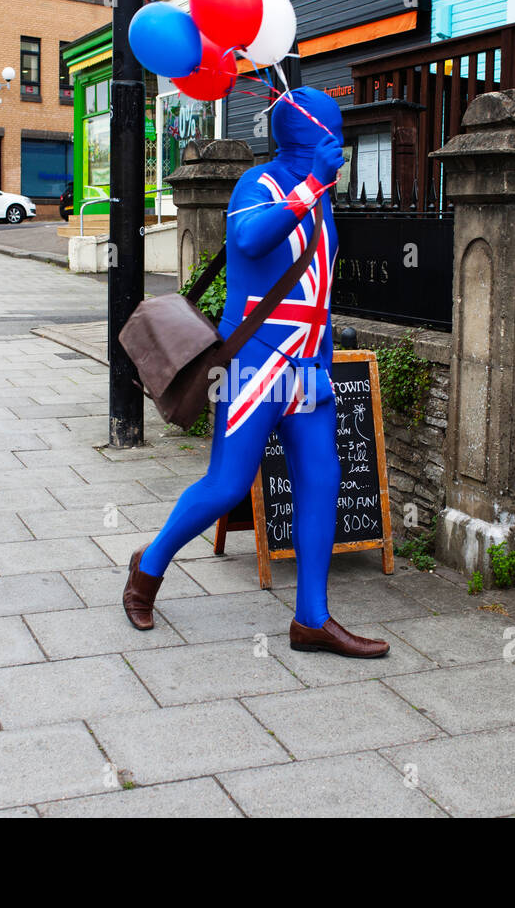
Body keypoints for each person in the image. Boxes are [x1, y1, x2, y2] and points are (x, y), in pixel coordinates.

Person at [122, 86, 390, 659]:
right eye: (334, 132)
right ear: (310, 135)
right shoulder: (258, 185)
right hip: (255, 367)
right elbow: (247, 238)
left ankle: (312, 618)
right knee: (227, 485)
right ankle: (147, 569)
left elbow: (321, 288)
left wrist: (321, 363)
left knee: (322, 480)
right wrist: (311, 185)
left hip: (308, 368)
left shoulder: (324, 201)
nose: (341, 145)